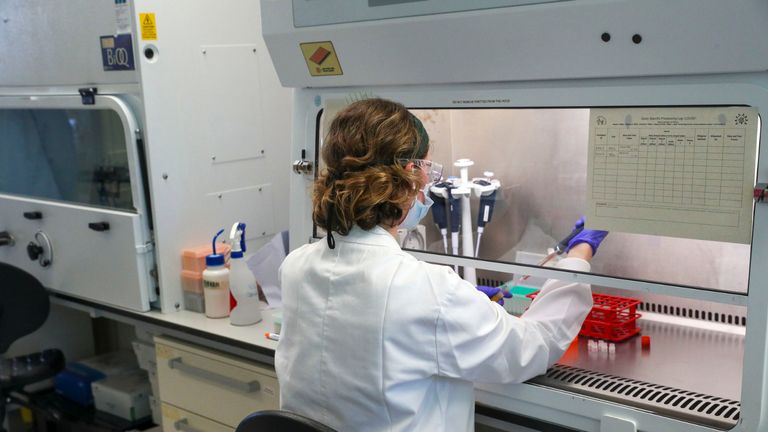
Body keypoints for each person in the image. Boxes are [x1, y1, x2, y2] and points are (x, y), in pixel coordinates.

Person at [276, 98, 608, 431]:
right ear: (409, 176)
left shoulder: (296, 267)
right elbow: (532, 348)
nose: (430, 184)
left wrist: (463, 305)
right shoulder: (426, 290)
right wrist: (577, 258)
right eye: (429, 170)